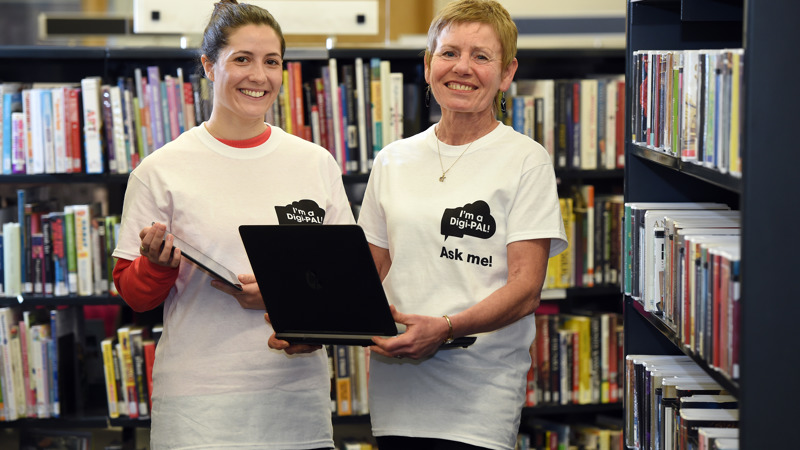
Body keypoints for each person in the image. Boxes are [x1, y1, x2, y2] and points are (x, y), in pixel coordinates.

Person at [111, 1, 354, 448]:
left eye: (272, 62)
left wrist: (289, 297)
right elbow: (133, 295)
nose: (258, 76)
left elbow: (346, 286)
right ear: (209, 65)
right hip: (198, 406)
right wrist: (159, 265)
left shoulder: (315, 164)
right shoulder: (161, 169)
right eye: (241, 59)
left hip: (295, 399)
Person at [356, 0, 568, 449]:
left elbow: (526, 288)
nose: (463, 68)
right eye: (449, 53)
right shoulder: (392, 159)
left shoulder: (526, 160)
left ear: (507, 73)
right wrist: (308, 323)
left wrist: (446, 327)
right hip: (396, 390)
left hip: (479, 396)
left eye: (481, 56)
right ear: (430, 64)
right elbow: (366, 273)